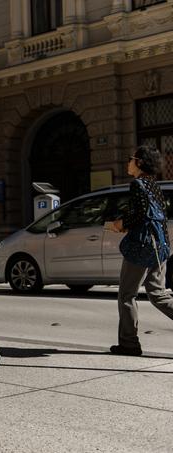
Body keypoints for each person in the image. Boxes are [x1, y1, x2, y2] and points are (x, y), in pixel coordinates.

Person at [107, 145, 173, 356]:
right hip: (160, 246)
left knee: (127, 295)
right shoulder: (154, 185)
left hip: (142, 248)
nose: (128, 162)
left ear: (140, 163)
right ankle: (128, 342)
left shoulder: (138, 184)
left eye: (130, 158)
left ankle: (129, 344)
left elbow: (140, 215)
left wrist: (121, 225)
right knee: (158, 295)